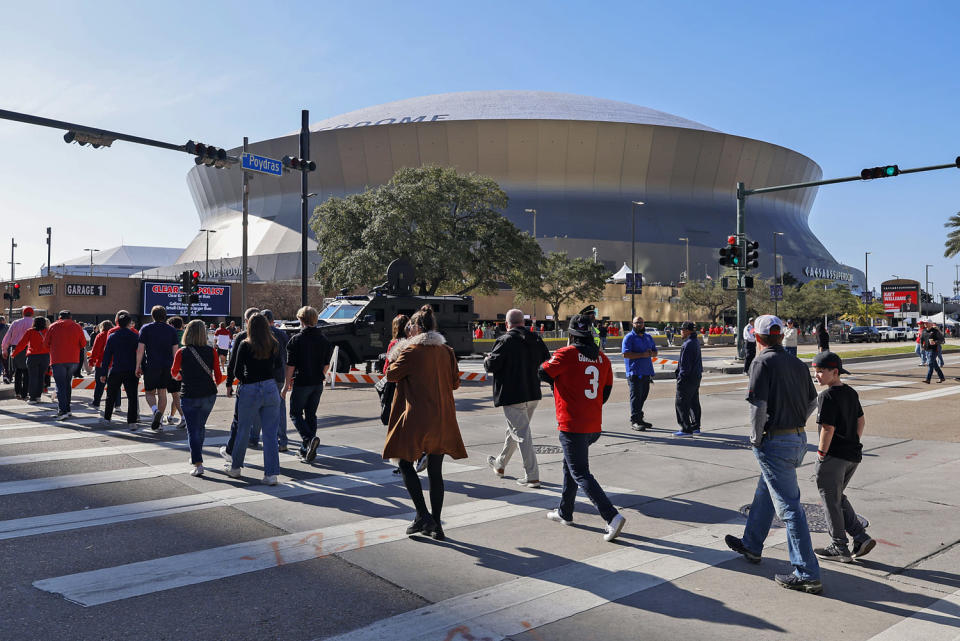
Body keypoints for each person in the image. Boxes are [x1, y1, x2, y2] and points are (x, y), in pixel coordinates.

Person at [725, 314, 821, 594]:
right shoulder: (797, 363)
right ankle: (752, 545)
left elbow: (758, 405)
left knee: (790, 508)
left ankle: (807, 572)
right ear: (780, 336)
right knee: (765, 490)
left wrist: (756, 438)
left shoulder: (761, 361)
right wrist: (795, 422)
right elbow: (813, 400)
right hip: (797, 438)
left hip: (774, 441)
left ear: (757, 337)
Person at [539, 314, 625, 542]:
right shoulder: (603, 359)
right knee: (570, 465)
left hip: (571, 423)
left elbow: (542, 372)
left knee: (580, 472)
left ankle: (611, 516)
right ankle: (565, 512)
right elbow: (604, 393)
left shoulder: (567, 354)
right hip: (593, 424)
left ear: (571, 335)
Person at [384, 305, 467, 541]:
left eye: (410, 325)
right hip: (442, 417)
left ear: (418, 328)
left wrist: (398, 349)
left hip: (416, 416)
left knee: (403, 462)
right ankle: (436, 524)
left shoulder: (411, 351)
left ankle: (422, 514)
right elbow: (455, 383)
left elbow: (391, 375)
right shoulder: (446, 351)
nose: (408, 329)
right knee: (436, 471)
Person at [811, 351, 876, 563]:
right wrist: (853, 443)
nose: (817, 376)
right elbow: (861, 422)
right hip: (852, 455)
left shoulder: (827, 396)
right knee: (837, 496)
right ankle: (859, 536)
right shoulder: (850, 392)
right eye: (815, 372)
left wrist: (821, 454)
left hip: (834, 456)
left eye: (821, 372)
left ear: (835, 372)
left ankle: (839, 546)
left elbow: (827, 428)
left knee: (830, 500)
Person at [484, 308, 551, 488]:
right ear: (523, 322)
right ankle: (500, 464)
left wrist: (486, 360)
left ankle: (532, 476)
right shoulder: (536, 338)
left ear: (507, 324)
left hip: (513, 395)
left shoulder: (504, 340)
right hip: (533, 393)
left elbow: (492, 365)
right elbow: (547, 362)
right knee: (514, 431)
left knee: (522, 434)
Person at [227, 313, 283, 484]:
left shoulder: (245, 344)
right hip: (270, 387)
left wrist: (244, 379)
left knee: (243, 429)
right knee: (270, 433)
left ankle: (236, 468)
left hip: (250, 387)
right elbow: (278, 366)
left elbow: (237, 371)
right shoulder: (274, 343)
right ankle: (271, 474)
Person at [171, 319, 225, 477]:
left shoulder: (182, 352)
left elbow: (174, 372)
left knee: (192, 429)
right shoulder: (211, 351)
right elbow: (219, 375)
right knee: (200, 427)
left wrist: (180, 377)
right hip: (208, 394)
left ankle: (198, 463)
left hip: (189, 394)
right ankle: (196, 455)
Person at [284, 305, 332, 463]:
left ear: (301, 320)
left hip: (302, 381)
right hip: (317, 382)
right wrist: (320, 375)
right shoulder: (324, 339)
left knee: (295, 413)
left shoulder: (296, 339)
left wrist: (286, 386)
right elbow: (327, 364)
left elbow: (290, 365)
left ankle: (308, 440)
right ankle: (308, 450)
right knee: (311, 414)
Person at [221, 307, 261, 461]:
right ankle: (255, 439)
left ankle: (232, 453)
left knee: (238, 421)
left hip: (247, 383)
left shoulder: (243, 337)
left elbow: (233, 364)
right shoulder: (270, 337)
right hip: (268, 384)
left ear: (246, 321)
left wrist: (230, 383)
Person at [136, 305, 180, 432]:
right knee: (162, 393)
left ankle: (155, 412)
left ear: (152, 315)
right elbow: (175, 351)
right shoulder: (171, 330)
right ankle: (160, 423)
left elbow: (140, 350)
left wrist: (137, 366)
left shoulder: (146, 328)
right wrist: (175, 368)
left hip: (151, 365)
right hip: (167, 366)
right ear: (164, 316)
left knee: (149, 392)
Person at [44, 310, 88, 419]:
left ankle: (62, 410)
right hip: (73, 359)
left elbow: (45, 344)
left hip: (57, 359)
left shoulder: (53, 326)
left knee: (60, 385)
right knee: (67, 384)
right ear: (70, 317)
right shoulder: (77, 326)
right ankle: (67, 409)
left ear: (59, 317)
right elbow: (83, 344)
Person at [100, 313, 141, 427]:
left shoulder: (112, 336)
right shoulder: (135, 336)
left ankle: (107, 418)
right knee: (132, 396)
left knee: (110, 395)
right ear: (129, 323)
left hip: (116, 369)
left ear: (118, 323)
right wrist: (141, 367)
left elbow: (107, 356)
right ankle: (132, 422)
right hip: (131, 369)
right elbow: (140, 353)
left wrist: (103, 373)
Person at [261, 310, 290, 452]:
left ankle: (259, 437)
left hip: (264, 377)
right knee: (280, 408)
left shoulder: (259, 335)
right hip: (280, 376)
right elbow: (289, 356)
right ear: (273, 320)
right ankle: (282, 440)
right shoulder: (283, 335)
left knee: (261, 409)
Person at [622, 315, 657, 431]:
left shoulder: (648, 337)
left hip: (647, 372)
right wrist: (642, 355)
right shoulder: (629, 338)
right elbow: (625, 354)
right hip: (634, 373)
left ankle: (640, 418)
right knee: (636, 398)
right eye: (637, 322)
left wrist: (651, 353)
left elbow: (655, 352)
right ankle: (635, 421)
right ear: (633, 324)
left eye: (641, 322)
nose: (640, 324)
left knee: (643, 396)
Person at [673, 321, 702, 437]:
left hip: (687, 378)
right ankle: (695, 426)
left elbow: (685, 365)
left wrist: (681, 378)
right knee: (693, 402)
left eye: (682, 329)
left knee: (681, 402)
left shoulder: (688, 344)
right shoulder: (695, 341)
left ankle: (686, 428)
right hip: (695, 376)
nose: (681, 331)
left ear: (687, 331)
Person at [13, 315, 49, 404]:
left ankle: (32, 398)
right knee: (41, 377)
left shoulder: (30, 331)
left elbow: (22, 344)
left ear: (34, 323)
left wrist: (14, 353)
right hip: (45, 356)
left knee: (33, 377)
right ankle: (38, 396)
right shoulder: (48, 331)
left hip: (33, 356)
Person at [2, 306, 35, 400]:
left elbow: (8, 336)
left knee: (18, 371)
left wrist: (4, 349)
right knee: (27, 372)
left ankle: (17, 392)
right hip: (30, 349)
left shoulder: (16, 323)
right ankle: (25, 393)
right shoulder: (34, 322)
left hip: (16, 348)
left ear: (23, 313)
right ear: (32, 313)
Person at [88, 320, 119, 410]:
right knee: (115, 385)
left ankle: (96, 403)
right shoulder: (116, 335)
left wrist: (92, 361)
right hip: (114, 363)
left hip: (101, 363)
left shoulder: (100, 335)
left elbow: (96, 350)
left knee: (100, 385)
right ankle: (117, 405)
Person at [166, 316, 185, 425]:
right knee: (177, 394)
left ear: (172, 325)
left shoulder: (170, 335)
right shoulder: (186, 335)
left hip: (174, 368)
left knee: (175, 394)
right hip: (186, 368)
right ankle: (171, 416)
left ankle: (183, 417)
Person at [0, 315, 8, 384]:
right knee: (5, 364)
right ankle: (5, 376)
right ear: (2, 321)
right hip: (4, 349)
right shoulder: (6, 328)